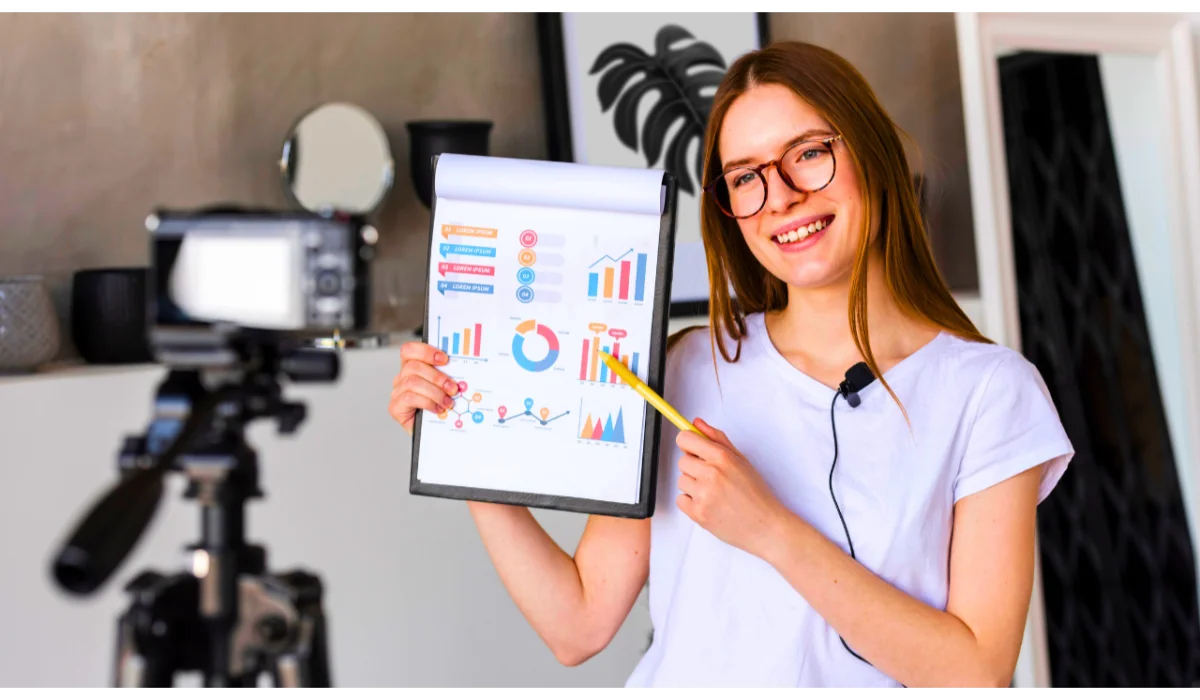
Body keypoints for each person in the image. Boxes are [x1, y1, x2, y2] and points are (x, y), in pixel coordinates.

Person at [388, 39, 1075, 688]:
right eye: (746, 177)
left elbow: (977, 672)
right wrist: (461, 446)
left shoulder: (989, 393)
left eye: (807, 153)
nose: (779, 196)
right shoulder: (687, 369)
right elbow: (577, 623)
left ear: (870, 152)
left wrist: (771, 531)